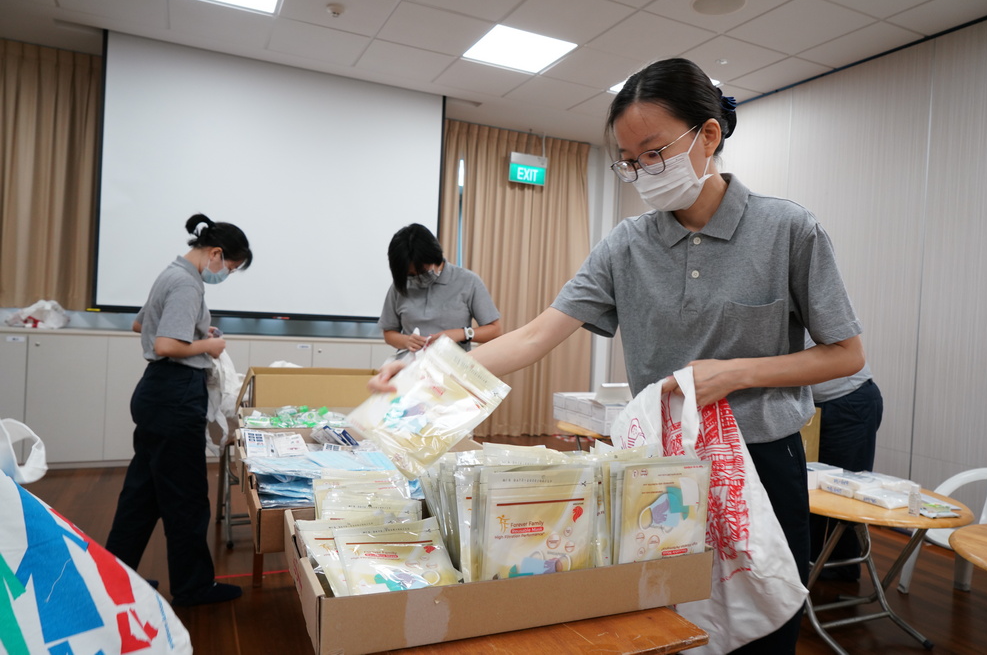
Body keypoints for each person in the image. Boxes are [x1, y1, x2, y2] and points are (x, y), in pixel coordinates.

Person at [371, 58, 865, 652]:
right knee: (664, 622)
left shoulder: (787, 229)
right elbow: (532, 337)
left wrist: (736, 373)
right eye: (630, 161)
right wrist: (425, 371)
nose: (643, 171)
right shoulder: (626, 245)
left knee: (763, 629)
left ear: (708, 134)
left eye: (654, 152)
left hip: (760, 462)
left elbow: (844, 354)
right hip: (659, 468)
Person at [106, 214, 253, 607]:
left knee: (142, 497)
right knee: (186, 498)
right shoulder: (187, 283)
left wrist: (196, 332)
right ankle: (193, 587)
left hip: (155, 393)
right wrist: (209, 346)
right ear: (216, 253)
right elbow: (167, 345)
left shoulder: (169, 274)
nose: (225, 274)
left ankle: (112, 582)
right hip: (174, 395)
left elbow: (142, 326)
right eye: (230, 268)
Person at [808, 349, 884, 581]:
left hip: (847, 401)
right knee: (810, 488)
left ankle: (842, 568)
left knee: (845, 493)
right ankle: (810, 563)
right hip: (811, 405)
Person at [378, 223, 501, 359]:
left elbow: (495, 330)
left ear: (435, 256)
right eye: (411, 275)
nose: (418, 278)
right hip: (410, 367)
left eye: (423, 272)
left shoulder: (468, 281)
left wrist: (461, 334)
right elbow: (389, 333)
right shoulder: (399, 285)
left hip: (452, 368)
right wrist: (406, 341)